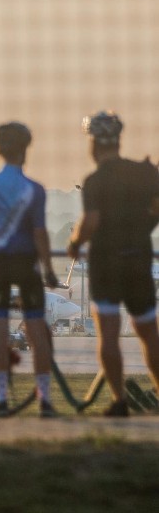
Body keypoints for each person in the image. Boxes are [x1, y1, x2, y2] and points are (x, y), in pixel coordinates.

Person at [0, 121, 59, 418]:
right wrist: (49, 269)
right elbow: (40, 233)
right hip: (26, 264)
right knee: (36, 333)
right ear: (25, 149)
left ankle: (1, 400)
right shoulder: (35, 190)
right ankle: (44, 401)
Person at [67, 111, 159, 417]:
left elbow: (90, 222)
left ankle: (119, 401)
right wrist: (146, 226)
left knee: (108, 334)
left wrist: (75, 243)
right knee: (148, 333)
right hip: (139, 260)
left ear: (94, 144)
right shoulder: (145, 173)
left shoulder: (94, 181)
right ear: (119, 140)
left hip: (106, 264)